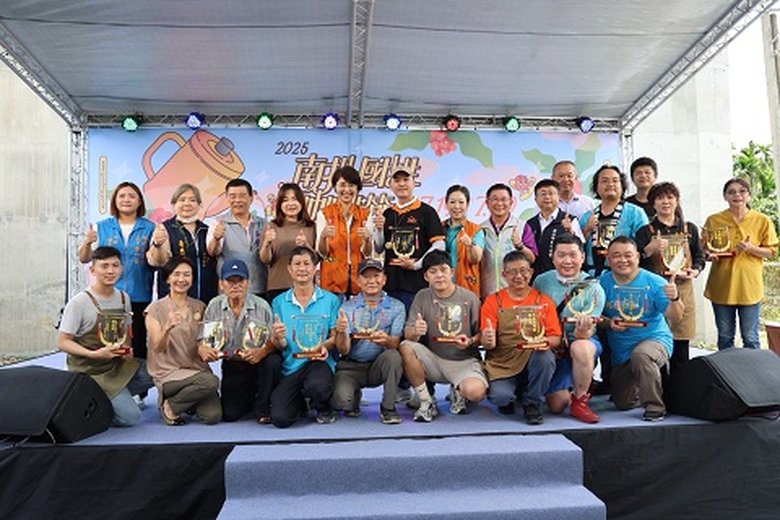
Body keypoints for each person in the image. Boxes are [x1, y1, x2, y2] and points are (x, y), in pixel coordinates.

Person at [58, 246, 153, 426]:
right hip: (89, 370)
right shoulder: (79, 302)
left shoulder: (124, 298)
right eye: (104, 266)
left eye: (115, 265)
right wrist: (93, 354)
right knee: (131, 418)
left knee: (157, 371)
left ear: (122, 268)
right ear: (92, 269)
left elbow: (126, 332)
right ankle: (87, 396)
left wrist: (127, 350)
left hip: (115, 365)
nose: (110, 271)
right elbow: (63, 342)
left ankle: (105, 398)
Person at [599, 237, 684, 421]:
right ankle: (646, 383)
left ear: (637, 257)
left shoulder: (655, 282)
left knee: (641, 355)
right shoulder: (602, 283)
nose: (623, 260)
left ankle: (655, 407)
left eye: (628, 255)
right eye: (616, 256)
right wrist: (609, 322)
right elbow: (595, 316)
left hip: (654, 340)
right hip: (622, 352)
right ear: (608, 259)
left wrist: (675, 299)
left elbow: (676, 316)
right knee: (623, 403)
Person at [399, 250, 486, 422]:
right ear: (426, 276)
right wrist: (416, 331)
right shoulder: (421, 296)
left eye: (443, 270)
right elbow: (408, 333)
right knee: (406, 346)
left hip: (464, 360)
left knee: (476, 392)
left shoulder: (470, 298)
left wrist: (470, 341)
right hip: (434, 360)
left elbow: (481, 334)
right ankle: (426, 400)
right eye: (433, 271)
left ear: (452, 272)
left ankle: (459, 391)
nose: (439, 275)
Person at [481, 251, 561, 425]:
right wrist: (487, 339)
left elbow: (556, 338)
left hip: (533, 359)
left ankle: (533, 403)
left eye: (523, 271)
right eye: (513, 272)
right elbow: (487, 341)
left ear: (531, 272)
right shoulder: (493, 301)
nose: (519, 276)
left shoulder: (543, 301)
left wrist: (544, 342)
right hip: (503, 363)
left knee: (546, 357)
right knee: (500, 398)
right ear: (504, 275)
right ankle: (513, 394)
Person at [78, 181, 155, 362]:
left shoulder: (151, 228)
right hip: (108, 295)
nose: (126, 200)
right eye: (122, 196)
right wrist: (87, 243)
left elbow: (156, 260)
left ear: (139, 201)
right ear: (115, 201)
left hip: (139, 295)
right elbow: (84, 258)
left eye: (131, 196)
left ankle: (138, 379)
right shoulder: (101, 227)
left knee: (137, 343)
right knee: (107, 341)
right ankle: (107, 376)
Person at [635, 182, 705, 374]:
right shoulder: (645, 231)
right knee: (655, 343)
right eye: (660, 198)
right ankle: (659, 387)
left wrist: (695, 271)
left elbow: (699, 257)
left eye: (670, 197)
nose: (665, 202)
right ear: (653, 204)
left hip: (683, 290)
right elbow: (634, 262)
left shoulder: (689, 229)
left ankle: (680, 388)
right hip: (655, 291)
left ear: (677, 201)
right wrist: (649, 249)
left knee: (681, 346)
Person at [533, 234, 603, 423]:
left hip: (580, 341)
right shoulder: (541, 281)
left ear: (582, 256)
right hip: (554, 345)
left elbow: (589, 331)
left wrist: (582, 331)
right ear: (552, 257)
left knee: (581, 347)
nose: (567, 261)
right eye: (561, 255)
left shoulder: (594, 287)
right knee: (556, 405)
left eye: (573, 255)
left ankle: (581, 400)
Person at [202, 259, 281, 423]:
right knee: (230, 414)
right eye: (230, 281)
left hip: (260, 363)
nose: (236, 286)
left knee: (273, 362)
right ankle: (250, 397)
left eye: (240, 281)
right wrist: (205, 350)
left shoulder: (262, 306)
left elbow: (275, 343)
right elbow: (206, 342)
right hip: (234, 364)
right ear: (221, 284)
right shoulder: (214, 306)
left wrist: (262, 352)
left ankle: (263, 406)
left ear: (248, 283)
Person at [270, 246, 342, 427]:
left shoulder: (331, 300)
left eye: (306, 264)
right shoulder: (279, 302)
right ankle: (301, 403)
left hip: (319, 362)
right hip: (292, 366)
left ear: (315, 268)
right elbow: (280, 345)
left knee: (318, 386)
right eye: (297, 264)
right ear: (289, 269)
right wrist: (278, 337)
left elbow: (335, 337)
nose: (302, 269)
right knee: (280, 418)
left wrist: (325, 345)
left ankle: (324, 407)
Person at [704, 178, 778, 350]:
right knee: (725, 337)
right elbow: (705, 249)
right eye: (731, 192)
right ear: (725, 196)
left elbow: (772, 251)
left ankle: (752, 368)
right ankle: (726, 368)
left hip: (749, 286)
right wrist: (708, 255)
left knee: (750, 337)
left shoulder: (762, 220)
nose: (737, 195)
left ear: (749, 196)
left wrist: (751, 248)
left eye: (742, 191)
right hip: (722, 285)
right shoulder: (714, 220)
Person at [145, 257, 221, 425]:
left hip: (196, 370)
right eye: (176, 274)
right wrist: (167, 327)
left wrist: (213, 347)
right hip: (168, 373)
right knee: (211, 382)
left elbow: (207, 340)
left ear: (193, 278)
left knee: (212, 416)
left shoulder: (200, 306)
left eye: (187, 274)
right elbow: (157, 347)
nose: (181, 279)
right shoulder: (155, 309)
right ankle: (170, 406)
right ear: (167, 278)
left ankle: (186, 400)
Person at [332, 258, 406, 424]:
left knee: (393, 356)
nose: (371, 281)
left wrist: (386, 340)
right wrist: (341, 332)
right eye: (366, 277)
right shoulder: (346, 307)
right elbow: (343, 350)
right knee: (342, 402)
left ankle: (388, 407)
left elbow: (395, 343)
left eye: (376, 276)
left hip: (378, 365)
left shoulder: (397, 306)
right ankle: (354, 397)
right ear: (358, 281)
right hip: (351, 366)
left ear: (384, 279)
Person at [373, 169, 446, 312]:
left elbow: (439, 245)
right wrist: (379, 229)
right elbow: (380, 248)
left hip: (417, 285)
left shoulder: (427, 212)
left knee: (415, 324)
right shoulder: (387, 213)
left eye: (406, 180)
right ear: (390, 185)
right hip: (391, 285)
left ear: (414, 183)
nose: (401, 184)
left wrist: (416, 265)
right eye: (397, 180)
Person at [147, 183, 218, 303]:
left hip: (206, 297)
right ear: (174, 204)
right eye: (182, 199)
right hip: (174, 300)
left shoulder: (207, 230)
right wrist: (157, 245)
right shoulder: (164, 228)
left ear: (200, 205)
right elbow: (159, 261)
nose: (187, 203)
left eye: (192, 200)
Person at [581, 165, 649, 276]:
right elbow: (576, 248)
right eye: (605, 181)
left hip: (625, 275)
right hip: (591, 275)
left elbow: (644, 245)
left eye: (615, 180)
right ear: (596, 187)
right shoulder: (587, 216)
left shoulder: (635, 213)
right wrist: (587, 230)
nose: (610, 184)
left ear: (622, 186)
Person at [316, 166, 373, 300]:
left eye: (351, 185)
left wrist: (367, 240)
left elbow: (367, 253)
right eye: (342, 185)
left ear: (357, 188)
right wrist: (323, 237)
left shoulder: (365, 214)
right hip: (332, 279)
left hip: (358, 279)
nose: (347, 190)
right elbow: (322, 253)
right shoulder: (324, 213)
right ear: (335, 187)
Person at [207, 178, 267, 298]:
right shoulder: (218, 222)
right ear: (227, 198)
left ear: (251, 198)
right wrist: (216, 239)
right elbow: (212, 252)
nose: (237, 200)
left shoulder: (263, 223)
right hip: (230, 290)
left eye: (242, 196)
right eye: (233, 196)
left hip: (260, 288)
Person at [260, 183, 317, 302]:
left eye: (294, 199)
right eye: (285, 200)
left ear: (301, 202)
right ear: (279, 204)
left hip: (306, 287)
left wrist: (306, 245)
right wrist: (266, 243)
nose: (290, 204)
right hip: (278, 286)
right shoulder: (272, 226)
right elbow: (265, 260)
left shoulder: (311, 226)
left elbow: (316, 260)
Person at [479, 183, 537, 299]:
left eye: (504, 199)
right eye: (495, 199)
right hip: (488, 294)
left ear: (511, 202)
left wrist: (520, 246)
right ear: (487, 203)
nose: (499, 203)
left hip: (516, 295)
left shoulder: (521, 226)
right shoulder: (480, 229)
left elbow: (532, 258)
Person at [524, 179, 584, 275]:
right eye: (543, 194)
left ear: (559, 197)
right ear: (536, 199)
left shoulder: (570, 220)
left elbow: (580, 248)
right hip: (536, 277)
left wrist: (570, 231)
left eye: (551, 193)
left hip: (562, 276)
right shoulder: (530, 224)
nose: (547, 197)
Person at [442, 185, 484, 296]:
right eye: (452, 202)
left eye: (461, 202)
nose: (457, 206)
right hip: (441, 286)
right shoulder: (439, 227)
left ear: (467, 204)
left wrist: (471, 244)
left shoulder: (475, 229)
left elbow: (476, 259)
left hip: (466, 286)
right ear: (446, 204)